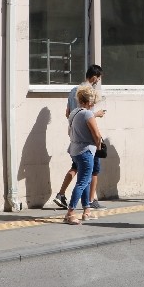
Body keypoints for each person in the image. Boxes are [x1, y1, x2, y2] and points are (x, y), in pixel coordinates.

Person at [54, 65, 106, 209]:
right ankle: (90, 200)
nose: (98, 81)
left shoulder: (73, 91)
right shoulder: (89, 93)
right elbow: (87, 116)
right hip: (87, 139)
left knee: (76, 166)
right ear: (94, 77)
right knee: (93, 170)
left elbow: (68, 113)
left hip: (74, 135)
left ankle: (61, 194)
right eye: (99, 78)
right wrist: (97, 114)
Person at [64, 85, 102, 225]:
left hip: (75, 150)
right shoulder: (87, 114)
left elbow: (69, 131)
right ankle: (70, 213)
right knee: (82, 182)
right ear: (90, 101)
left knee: (85, 181)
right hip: (86, 151)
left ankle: (87, 210)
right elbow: (97, 135)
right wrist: (99, 146)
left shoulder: (74, 112)